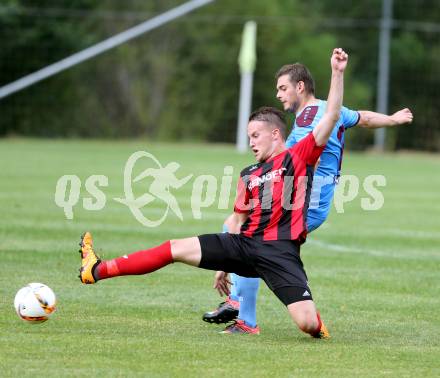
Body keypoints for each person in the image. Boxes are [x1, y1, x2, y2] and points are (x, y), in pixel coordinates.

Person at [78, 48, 349, 340]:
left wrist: (337, 72)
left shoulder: (299, 156)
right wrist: (224, 265)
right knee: (173, 248)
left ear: (275, 134)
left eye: (255, 136)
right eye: (248, 138)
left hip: (281, 253)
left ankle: (312, 319)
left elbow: (332, 114)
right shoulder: (249, 174)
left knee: (307, 324)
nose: (251, 143)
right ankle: (96, 269)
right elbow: (236, 219)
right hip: (243, 247)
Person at [203, 58, 413, 334]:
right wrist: (393, 119)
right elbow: (363, 118)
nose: (278, 95)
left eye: (282, 88)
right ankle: (240, 306)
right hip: (302, 201)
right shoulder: (325, 110)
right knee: (239, 229)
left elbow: (296, 156)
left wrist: (338, 75)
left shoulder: (310, 124)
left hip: (304, 205)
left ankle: (244, 314)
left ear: (300, 86)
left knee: (248, 237)